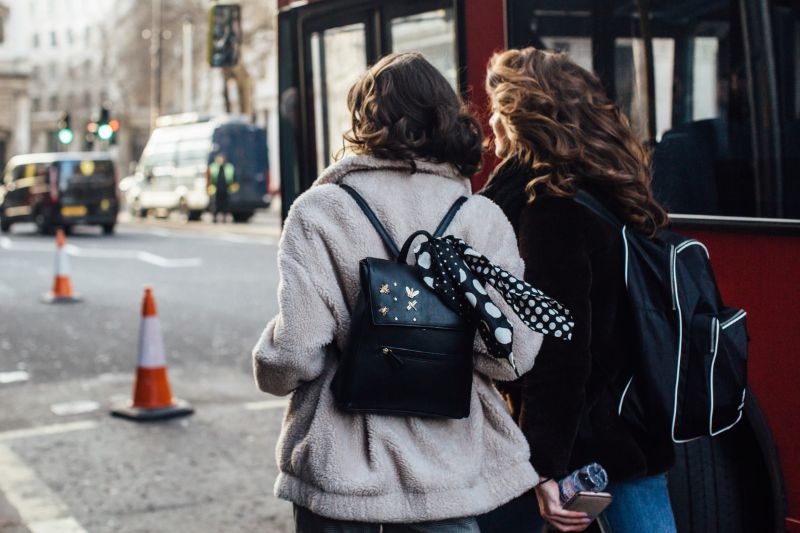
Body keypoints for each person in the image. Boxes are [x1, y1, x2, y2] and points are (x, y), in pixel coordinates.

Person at [252, 52, 548, 532]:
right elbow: (513, 356)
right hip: (445, 477)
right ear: (445, 117)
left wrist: (269, 359)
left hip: (342, 480)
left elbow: (296, 353)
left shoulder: (320, 212)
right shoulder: (480, 218)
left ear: (364, 121)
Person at [477, 48, 676, 533]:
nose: (490, 124)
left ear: (520, 119)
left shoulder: (550, 208)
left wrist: (544, 465)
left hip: (590, 433)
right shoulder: (616, 187)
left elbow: (560, 349)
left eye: (497, 109)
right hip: (636, 416)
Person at [210, 153, 233, 223]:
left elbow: (232, 177)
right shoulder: (213, 166)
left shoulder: (229, 167)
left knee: (225, 204)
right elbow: (210, 177)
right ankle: (215, 217)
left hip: (226, 188)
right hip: (216, 188)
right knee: (216, 203)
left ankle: (224, 217)